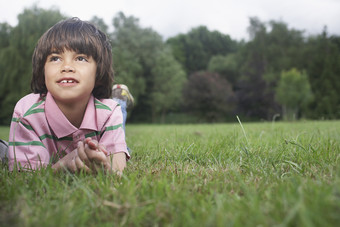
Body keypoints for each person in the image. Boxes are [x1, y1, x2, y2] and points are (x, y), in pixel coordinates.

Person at [7, 17, 130, 174]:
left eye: (80, 58)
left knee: (120, 115)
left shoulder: (110, 111)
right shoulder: (26, 114)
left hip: (110, 112)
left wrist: (101, 162)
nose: (67, 67)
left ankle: (120, 99)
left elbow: (117, 171)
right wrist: (66, 163)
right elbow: (27, 178)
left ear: (99, 71)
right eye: (55, 58)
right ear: (42, 70)